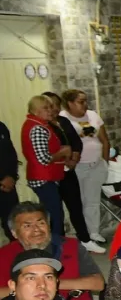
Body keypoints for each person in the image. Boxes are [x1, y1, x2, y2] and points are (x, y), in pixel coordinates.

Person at [0, 202, 105, 300]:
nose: (36, 229)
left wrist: (51, 284)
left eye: (41, 223)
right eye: (27, 226)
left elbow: (98, 283)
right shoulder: (4, 254)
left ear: (49, 226)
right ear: (14, 233)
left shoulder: (71, 246)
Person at [59, 90, 109, 252]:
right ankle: (82, 234)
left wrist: (105, 161)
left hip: (96, 164)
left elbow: (104, 140)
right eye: (81, 101)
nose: (85, 104)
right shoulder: (62, 118)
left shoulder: (93, 115)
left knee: (93, 201)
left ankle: (94, 232)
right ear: (70, 103)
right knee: (78, 201)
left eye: (86, 100)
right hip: (78, 166)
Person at [21, 95, 71, 239]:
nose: (50, 111)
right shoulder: (37, 128)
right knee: (55, 215)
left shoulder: (39, 125)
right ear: (36, 111)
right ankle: (55, 248)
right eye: (46, 108)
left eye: (50, 107)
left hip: (46, 176)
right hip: (43, 177)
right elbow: (43, 158)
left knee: (52, 213)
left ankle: (53, 245)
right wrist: (62, 152)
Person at [0, 119, 18, 239]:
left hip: (9, 184)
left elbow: (11, 154)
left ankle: (18, 255)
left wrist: (12, 177)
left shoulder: (1, 126)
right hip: (2, 182)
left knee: (14, 222)